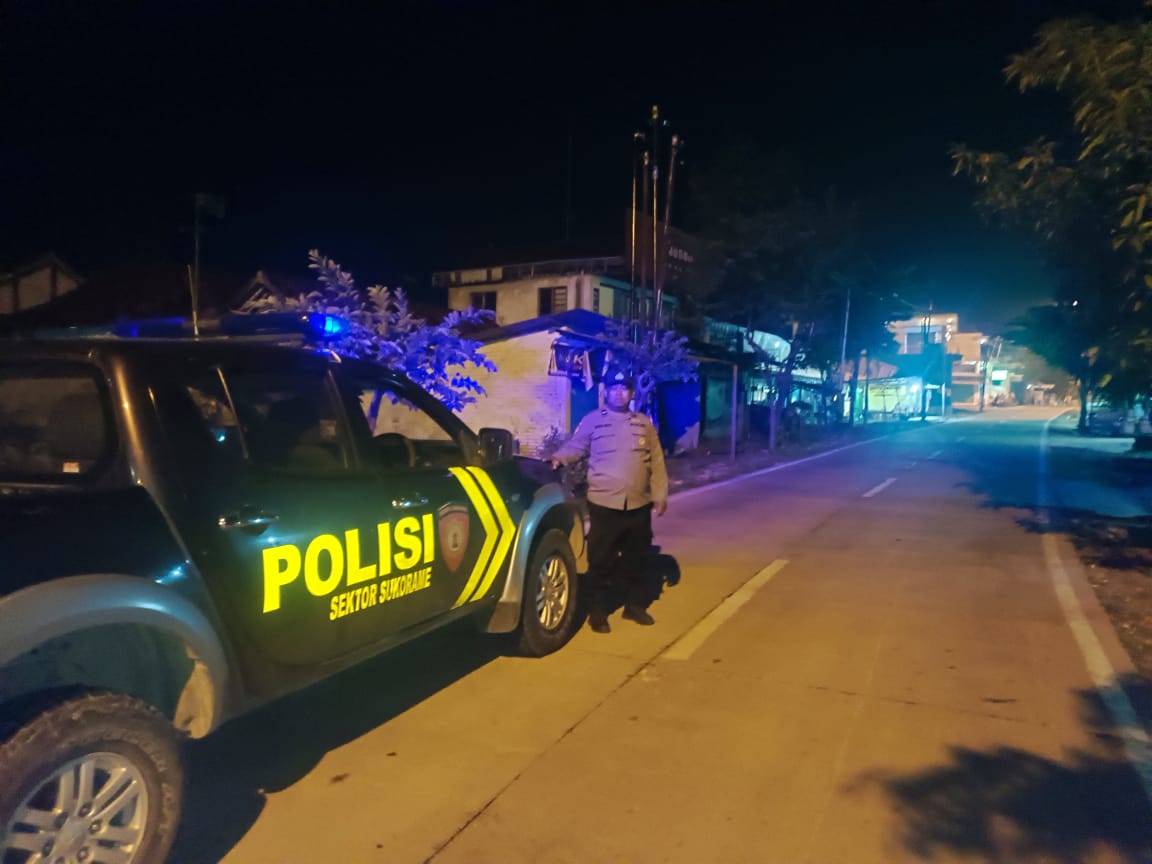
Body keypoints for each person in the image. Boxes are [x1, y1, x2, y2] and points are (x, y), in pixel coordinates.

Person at [551, 368, 668, 633]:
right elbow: (576, 446)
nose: (618, 393)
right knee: (600, 559)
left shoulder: (644, 423)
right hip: (604, 503)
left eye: (624, 388)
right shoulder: (593, 420)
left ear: (631, 393)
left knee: (637, 557)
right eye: (613, 388)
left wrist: (660, 494)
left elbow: (657, 461)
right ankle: (598, 611)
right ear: (606, 392)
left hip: (638, 504)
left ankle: (634, 606)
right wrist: (559, 457)